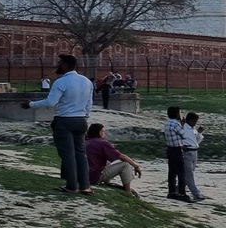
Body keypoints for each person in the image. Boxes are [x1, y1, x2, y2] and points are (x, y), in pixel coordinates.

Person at [20, 54, 94, 194]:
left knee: (68, 154)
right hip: (81, 120)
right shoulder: (86, 81)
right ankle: (85, 186)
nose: (57, 65)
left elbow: (51, 102)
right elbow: (89, 102)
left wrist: (30, 104)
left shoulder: (61, 82)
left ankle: (72, 186)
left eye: (59, 63)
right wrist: (85, 116)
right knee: (81, 153)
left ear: (65, 65)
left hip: (64, 120)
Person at [85, 123, 141, 197]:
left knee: (107, 162)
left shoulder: (85, 142)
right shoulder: (102, 143)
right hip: (94, 176)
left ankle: (105, 183)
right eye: (103, 132)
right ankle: (128, 192)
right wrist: (135, 165)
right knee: (125, 165)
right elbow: (121, 156)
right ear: (99, 132)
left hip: (83, 175)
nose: (104, 134)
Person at [164, 106, 192, 202]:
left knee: (171, 172)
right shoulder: (176, 124)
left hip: (170, 149)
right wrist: (183, 125)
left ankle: (172, 192)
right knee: (181, 172)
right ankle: (182, 193)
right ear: (177, 114)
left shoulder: (167, 123)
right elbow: (184, 135)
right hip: (177, 150)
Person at [183, 112, 206, 201]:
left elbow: (196, 141)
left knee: (190, 173)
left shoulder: (193, 130)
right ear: (190, 120)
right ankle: (196, 193)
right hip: (187, 152)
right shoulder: (184, 128)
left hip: (194, 152)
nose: (195, 123)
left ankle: (179, 188)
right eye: (195, 121)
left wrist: (199, 133)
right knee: (189, 174)